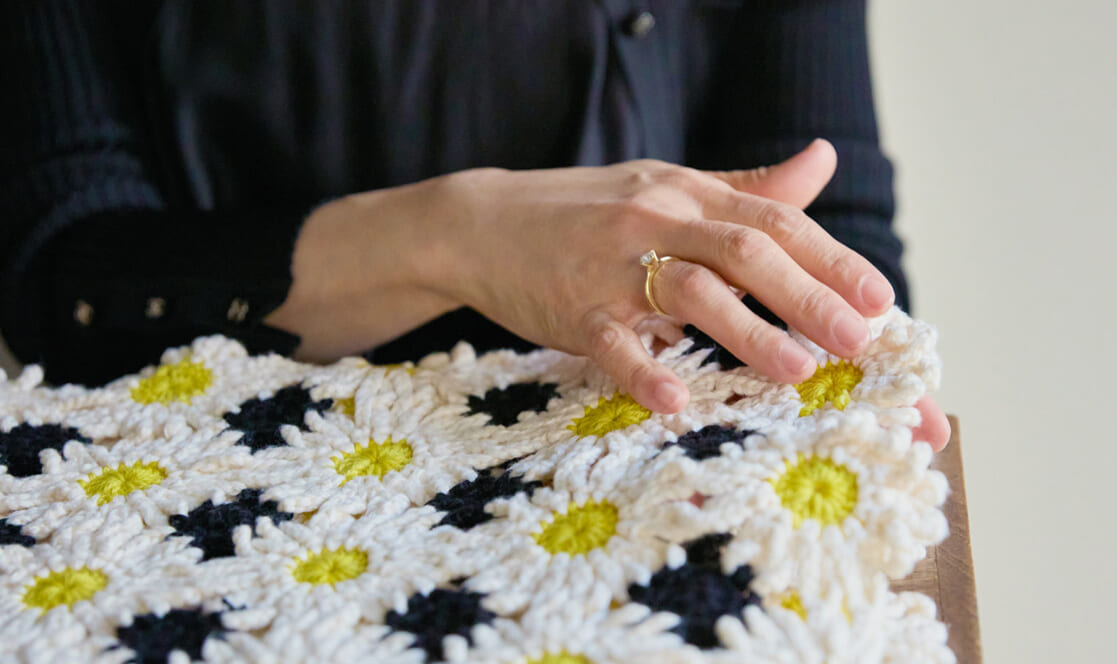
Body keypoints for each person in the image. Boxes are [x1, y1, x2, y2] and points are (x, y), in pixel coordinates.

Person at [0, 1, 949, 450]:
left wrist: (848, 343)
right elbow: (60, 278)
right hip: (206, 472)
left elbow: (824, 218)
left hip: (643, 457)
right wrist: (458, 235)